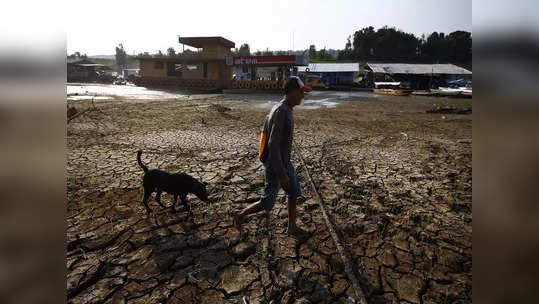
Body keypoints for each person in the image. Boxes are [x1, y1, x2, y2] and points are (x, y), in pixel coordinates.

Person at [234, 76, 312, 236]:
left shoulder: (287, 109)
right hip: (275, 164)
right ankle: (240, 215)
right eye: (300, 92)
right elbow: (273, 145)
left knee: (294, 191)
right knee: (268, 202)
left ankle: (291, 226)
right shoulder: (281, 111)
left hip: (284, 162)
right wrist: (282, 174)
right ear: (291, 92)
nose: (302, 96)